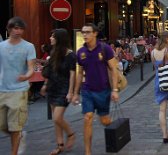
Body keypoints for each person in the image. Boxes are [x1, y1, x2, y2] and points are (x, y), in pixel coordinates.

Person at [72, 23, 120, 155]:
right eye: (83, 32)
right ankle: (88, 152)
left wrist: (115, 90)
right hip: (87, 90)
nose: (85, 35)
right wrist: (75, 93)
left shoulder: (105, 49)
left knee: (104, 120)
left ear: (95, 33)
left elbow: (113, 69)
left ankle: (113, 131)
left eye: (88, 32)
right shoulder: (81, 52)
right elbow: (80, 73)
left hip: (103, 90)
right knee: (87, 117)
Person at [0, 17, 36, 155]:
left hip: (19, 91)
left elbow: (31, 67)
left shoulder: (28, 46)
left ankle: (13, 152)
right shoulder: (1, 46)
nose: (18, 31)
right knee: (3, 125)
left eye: (21, 29)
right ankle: (19, 136)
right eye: (15, 28)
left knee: (15, 127)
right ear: (9, 29)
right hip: (2, 89)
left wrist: (27, 76)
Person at [40, 29, 76, 154]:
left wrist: (70, 92)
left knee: (57, 118)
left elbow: (72, 74)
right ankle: (60, 145)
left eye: (53, 36)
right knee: (56, 120)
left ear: (59, 39)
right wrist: (45, 85)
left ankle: (71, 134)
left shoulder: (70, 55)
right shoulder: (53, 52)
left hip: (64, 89)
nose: (50, 38)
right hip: (52, 88)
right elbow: (50, 71)